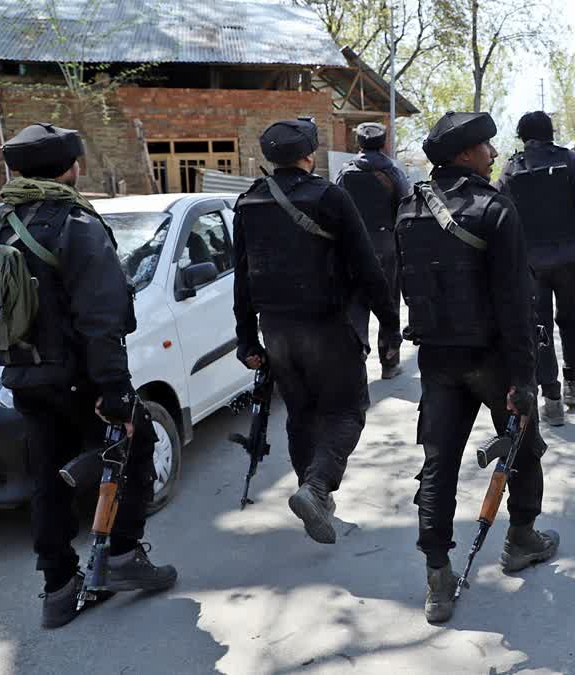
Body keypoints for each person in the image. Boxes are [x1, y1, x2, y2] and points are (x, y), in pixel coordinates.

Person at [0, 123, 177, 629]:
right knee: (134, 444)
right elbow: (101, 316)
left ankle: (58, 589)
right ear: (71, 168)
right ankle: (125, 556)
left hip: (22, 376)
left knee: (47, 476)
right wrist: (114, 391)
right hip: (78, 377)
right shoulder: (76, 225)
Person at [396, 111, 557, 624]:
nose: (493, 154)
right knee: (524, 444)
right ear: (466, 153)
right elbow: (515, 303)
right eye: (486, 147)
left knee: (438, 463)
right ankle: (521, 538)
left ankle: (438, 577)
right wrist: (526, 380)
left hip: (437, 357)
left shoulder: (408, 210)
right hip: (491, 358)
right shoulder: (494, 208)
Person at [233, 117, 399, 545]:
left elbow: (242, 278)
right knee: (347, 410)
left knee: (301, 415)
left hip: (276, 332)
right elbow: (368, 268)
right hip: (327, 327)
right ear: (309, 155)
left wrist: (247, 339)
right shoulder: (330, 197)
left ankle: (315, 498)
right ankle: (317, 488)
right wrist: (391, 323)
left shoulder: (248, 202)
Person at [499, 111, 575, 426]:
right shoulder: (571, 162)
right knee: (570, 320)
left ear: (522, 136)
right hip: (568, 259)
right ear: (551, 133)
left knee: (540, 330)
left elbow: (501, 217)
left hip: (530, 264)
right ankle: (573, 386)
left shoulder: (512, 168)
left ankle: (553, 398)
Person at [336, 122, 411, 379]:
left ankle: (356, 360)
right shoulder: (393, 172)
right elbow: (405, 207)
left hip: (353, 247)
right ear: (384, 143)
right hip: (386, 245)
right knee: (388, 303)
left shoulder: (345, 173)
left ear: (358, 144)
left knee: (356, 304)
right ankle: (389, 362)